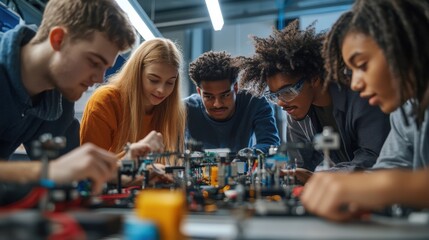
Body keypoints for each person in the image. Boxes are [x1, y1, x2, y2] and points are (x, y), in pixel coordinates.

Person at [301, 0, 429, 221]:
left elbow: (386, 181)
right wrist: (356, 194)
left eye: (362, 65)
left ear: (404, 45)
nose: (355, 84)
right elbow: (390, 166)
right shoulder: (406, 110)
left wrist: (382, 186)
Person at [0, 0, 140, 194]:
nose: (99, 79)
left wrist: (123, 168)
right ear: (58, 39)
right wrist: (47, 172)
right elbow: (55, 171)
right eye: (94, 62)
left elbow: (74, 171)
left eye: (105, 68)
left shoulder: (57, 99)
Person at [237, 20, 390, 182]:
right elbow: (300, 164)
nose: (281, 103)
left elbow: (373, 158)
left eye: (287, 92)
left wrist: (320, 177)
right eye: (275, 96)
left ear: (314, 79)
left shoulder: (362, 97)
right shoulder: (296, 111)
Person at [80, 38, 186, 174]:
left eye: (170, 83)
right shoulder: (105, 101)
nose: (162, 90)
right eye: (153, 80)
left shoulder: (170, 111)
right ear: (137, 73)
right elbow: (89, 166)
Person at [184, 51, 280, 154]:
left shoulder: (255, 102)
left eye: (225, 95)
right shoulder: (184, 109)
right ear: (199, 92)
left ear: (235, 88)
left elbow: (270, 144)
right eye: (209, 96)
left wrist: (248, 154)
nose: (218, 104)